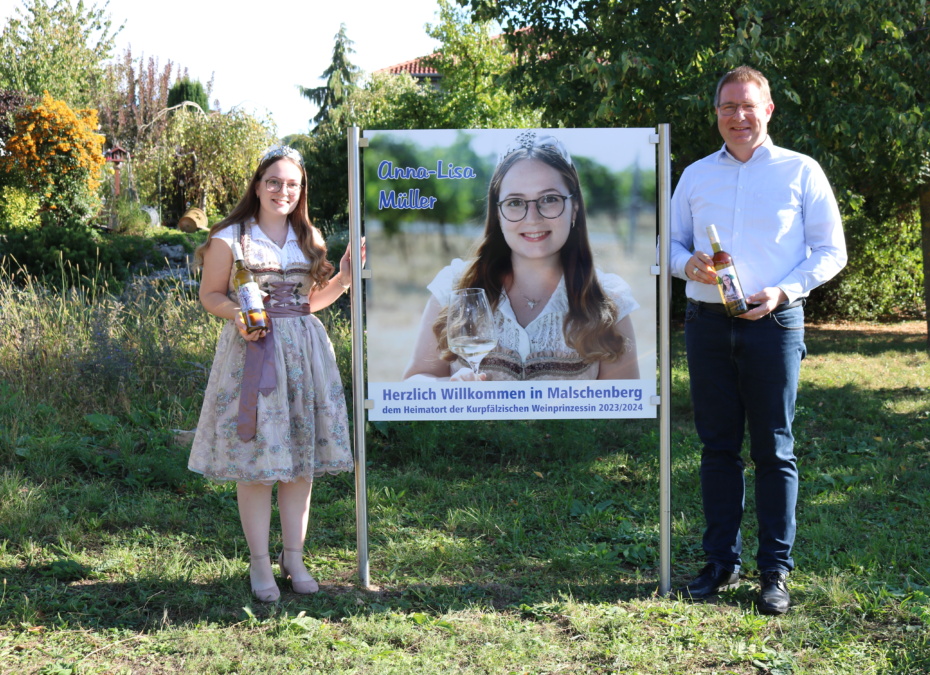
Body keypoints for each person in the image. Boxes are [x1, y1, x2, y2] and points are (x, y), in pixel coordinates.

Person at [670, 66, 846, 614]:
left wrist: (784, 292)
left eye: (748, 106)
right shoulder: (696, 175)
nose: (738, 116)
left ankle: (775, 571)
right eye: (727, 107)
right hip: (706, 324)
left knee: (775, 449)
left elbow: (830, 251)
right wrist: (687, 264)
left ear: (768, 110)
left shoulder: (802, 171)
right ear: (716, 114)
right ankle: (720, 562)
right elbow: (669, 248)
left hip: (774, 323)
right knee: (718, 448)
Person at [188, 145, 363, 602]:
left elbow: (308, 303)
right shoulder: (230, 236)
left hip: (305, 356)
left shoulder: (309, 236)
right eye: (273, 181)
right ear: (257, 185)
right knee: (259, 466)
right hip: (254, 354)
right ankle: (260, 564)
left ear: (301, 190)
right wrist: (239, 315)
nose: (282, 191)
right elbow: (210, 295)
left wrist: (343, 280)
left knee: (298, 464)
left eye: (292, 184)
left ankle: (295, 556)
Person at [403, 131, 639, 382]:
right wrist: (447, 389)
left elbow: (626, 410)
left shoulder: (609, 299)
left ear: (575, 208)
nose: (533, 218)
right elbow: (414, 381)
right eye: (515, 202)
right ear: (498, 213)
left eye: (549, 199)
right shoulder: (455, 287)